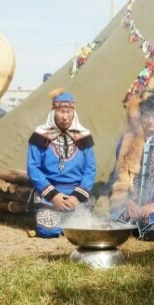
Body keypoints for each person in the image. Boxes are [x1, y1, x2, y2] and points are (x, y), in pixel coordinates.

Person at [109, 94, 154, 242]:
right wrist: (129, 202)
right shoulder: (127, 139)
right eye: (147, 116)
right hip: (129, 203)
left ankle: (149, 222)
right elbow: (119, 173)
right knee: (113, 230)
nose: (150, 121)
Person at [27, 90, 96, 238]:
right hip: (49, 194)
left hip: (75, 195)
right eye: (61, 112)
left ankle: (67, 220)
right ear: (53, 112)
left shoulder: (84, 136)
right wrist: (54, 196)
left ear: (74, 112)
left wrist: (76, 198)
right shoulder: (39, 136)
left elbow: (90, 170)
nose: (65, 117)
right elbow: (33, 168)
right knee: (48, 231)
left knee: (85, 229)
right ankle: (59, 222)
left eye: (69, 111)